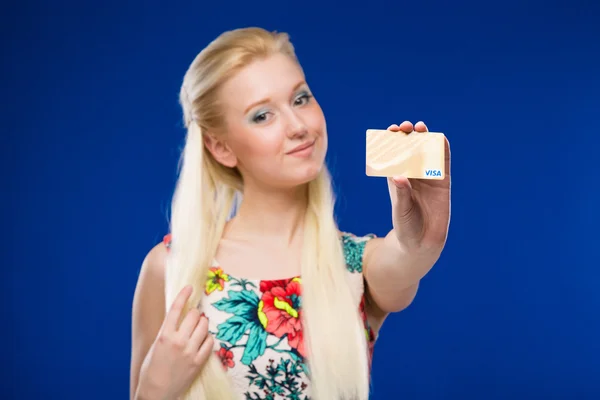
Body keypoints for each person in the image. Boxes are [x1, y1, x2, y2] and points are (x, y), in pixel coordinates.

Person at [130, 27, 451, 400]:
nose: (299, 127)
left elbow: (407, 257)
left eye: (300, 99)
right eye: (262, 116)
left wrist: (422, 240)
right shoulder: (169, 268)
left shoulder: (355, 265)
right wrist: (155, 388)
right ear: (221, 148)